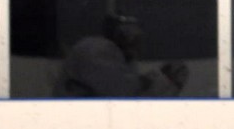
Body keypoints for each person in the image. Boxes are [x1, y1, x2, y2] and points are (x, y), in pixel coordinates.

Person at [53, 13, 188, 98]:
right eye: (128, 33)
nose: (133, 39)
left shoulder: (123, 59)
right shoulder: (96, 48)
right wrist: (158, 80)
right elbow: (122, 91)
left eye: (136, 35)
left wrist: (164, 82)